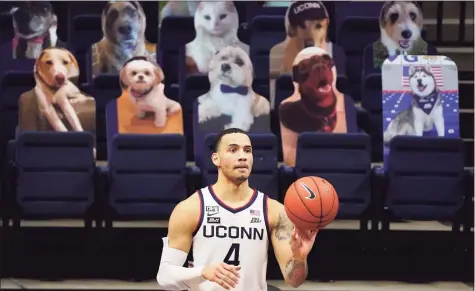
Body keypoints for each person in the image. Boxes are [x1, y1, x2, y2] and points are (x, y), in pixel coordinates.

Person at [157, 128, 317, 291]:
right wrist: (202, 272)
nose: (243, 156)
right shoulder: (191, 208)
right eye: (233, 150)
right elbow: (164, 277)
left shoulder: (275, 210)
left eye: (247, 150)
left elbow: (294, 281)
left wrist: (299, 258)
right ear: (216, 159)